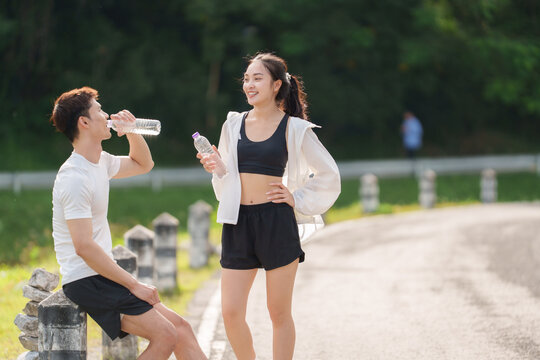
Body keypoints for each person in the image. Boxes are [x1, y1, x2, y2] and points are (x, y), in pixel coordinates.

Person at [197, 53, 341, 360]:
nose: (249, 84)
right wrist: (218, 168)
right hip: (238, 222)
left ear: (277, 85)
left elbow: (329, 174)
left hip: (276, 222)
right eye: (246, 79)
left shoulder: (294, 128)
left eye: (257, 78)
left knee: (278, 313)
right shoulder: (233, 124)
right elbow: (226, 180)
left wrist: (296, 197)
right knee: (231, 312)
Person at [50, 87, 207, 360]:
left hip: (101, 275)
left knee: (180, 328)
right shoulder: (74, 178)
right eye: (99, 110)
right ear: (84, 122)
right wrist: (134, 284)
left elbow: (143, 164)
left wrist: (133, 131)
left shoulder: (100, 162)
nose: (106, 114)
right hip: (86, 280)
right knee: (167, 335)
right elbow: (83, 246)